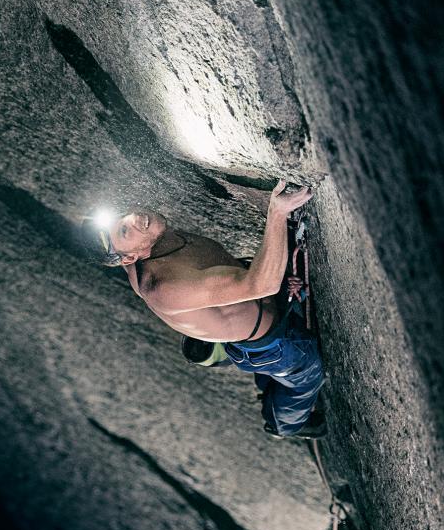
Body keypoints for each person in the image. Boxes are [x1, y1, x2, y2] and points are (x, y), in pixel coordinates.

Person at [82, 181, 326, 439]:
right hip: (269, 346)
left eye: (123, 216)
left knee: (273, 375)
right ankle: (285, 425)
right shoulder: (163, 286)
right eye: (123, 231)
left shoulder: (151, 241)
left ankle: (269, 384)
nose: (134, 219)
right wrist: (277, 212)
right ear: (129, 259)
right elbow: (261, 284)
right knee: (307, 377)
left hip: (260, 307)